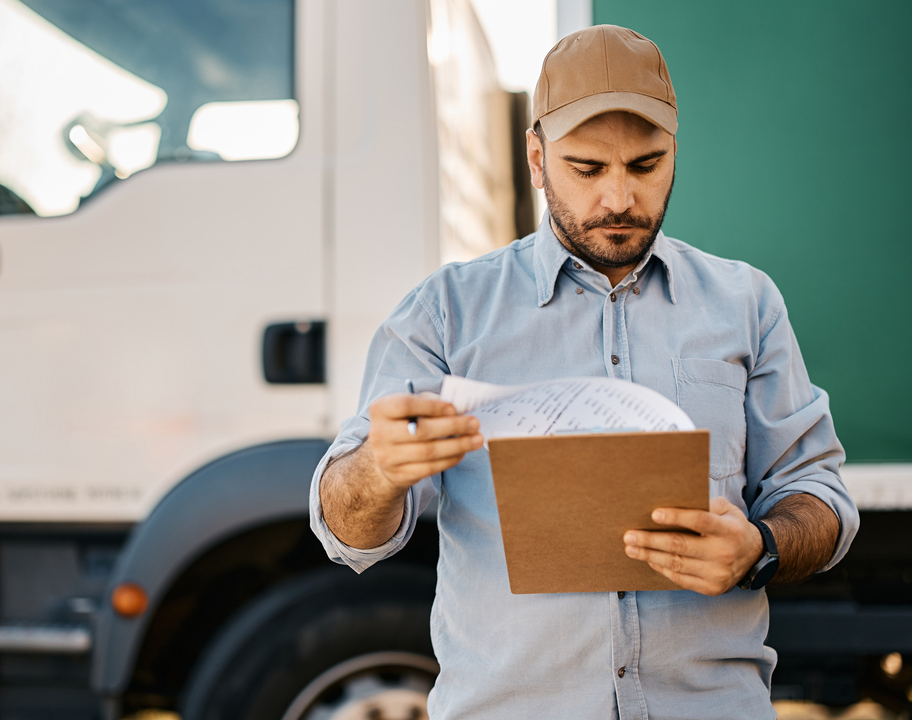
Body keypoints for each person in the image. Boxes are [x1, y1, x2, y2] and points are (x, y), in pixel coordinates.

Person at [309, 24, 859, 720]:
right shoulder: (446, 313)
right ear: (537, 159)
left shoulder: (746, 303)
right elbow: (345, 532)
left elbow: (821, 497)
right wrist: (380, 469)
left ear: (675, 154)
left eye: (647, 164)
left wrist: (761, 548)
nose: (620, 200)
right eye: (588, 169)